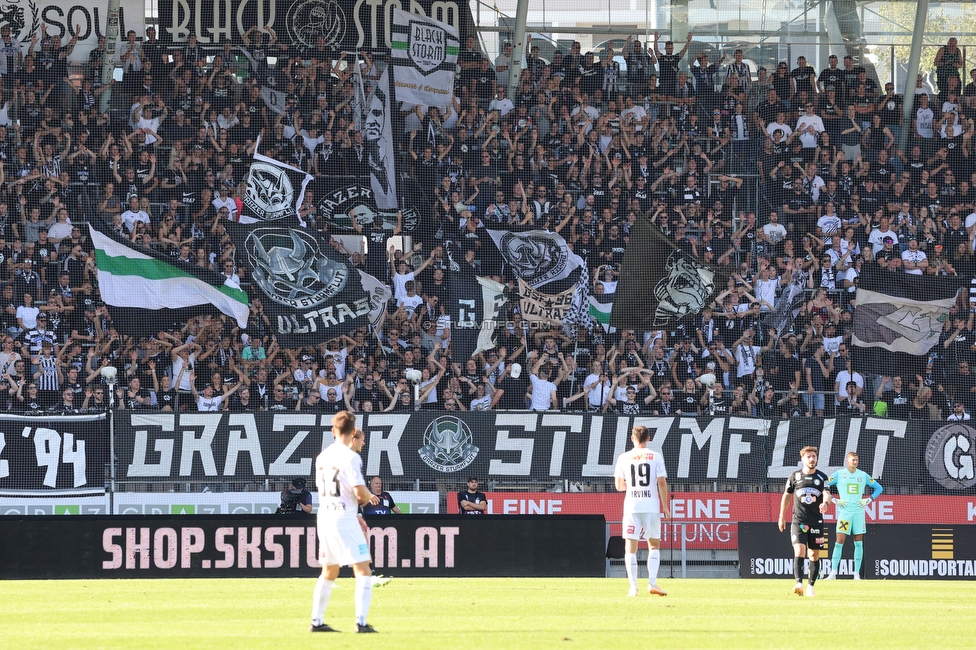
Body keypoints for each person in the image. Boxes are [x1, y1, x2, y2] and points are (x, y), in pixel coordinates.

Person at [310, 412, 381, 633]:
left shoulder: (322, 456)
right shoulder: (351, 457)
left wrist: (356, 513)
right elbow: (360, 494)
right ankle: (360, 622)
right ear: (353, 433)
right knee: (363, 570)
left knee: (329, 571)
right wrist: (369, 497)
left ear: (333, 431)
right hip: (343, 519)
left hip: (325, 517)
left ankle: (317, 622)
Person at [613, 425, 669, 597]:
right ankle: (652, 583)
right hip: (651, 506)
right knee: (654, 545)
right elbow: (661, 482)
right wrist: (665, 506)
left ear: (632, 438)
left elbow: (619, 486)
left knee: (630, 548)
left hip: (632, 505)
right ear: (649, 438)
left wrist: (632, 485)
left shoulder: (624, 457)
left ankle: (633, 588)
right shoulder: (655, 456)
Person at [778, 445, 832, 597]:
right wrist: (782, 516)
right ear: (802, 459)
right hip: (798, 521)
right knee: (799, 551)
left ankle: (811, 586)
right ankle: (798, 584)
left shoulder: (822, 477)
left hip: (816, 522)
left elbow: (827, 494)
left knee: (814, 555)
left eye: (814, 456)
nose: (812, 459)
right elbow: (787, 496)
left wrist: (825, 503)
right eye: (808, 456)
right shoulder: (794, 477)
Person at [825, 451, 884, 580]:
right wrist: (834, 500)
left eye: (856, 460)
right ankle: (833, 573)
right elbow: (824, 484)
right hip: (844, 513)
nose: (855, 462)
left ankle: (856, 574)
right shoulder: (839, 474)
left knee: (858, 543)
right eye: (853, 460)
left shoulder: (862, 475)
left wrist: (868, 500)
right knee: (839, 542)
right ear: (847, 460)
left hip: (858, 512)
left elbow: (879, 488)